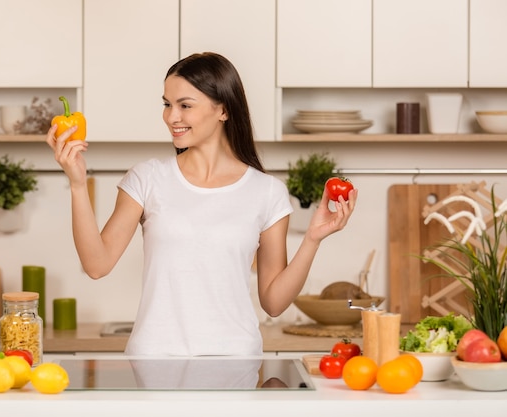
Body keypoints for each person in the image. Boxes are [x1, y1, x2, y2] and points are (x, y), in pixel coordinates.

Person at [46, 52, 358, 356]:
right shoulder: (147, 178)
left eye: (185, 105)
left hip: (235, 363)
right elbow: (96, 265)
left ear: (223, 110)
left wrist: (313, 239)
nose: (172, 117)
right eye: (167, 104)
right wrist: (77, 183)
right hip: (154, 361)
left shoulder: (267, 192)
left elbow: (274, 303)